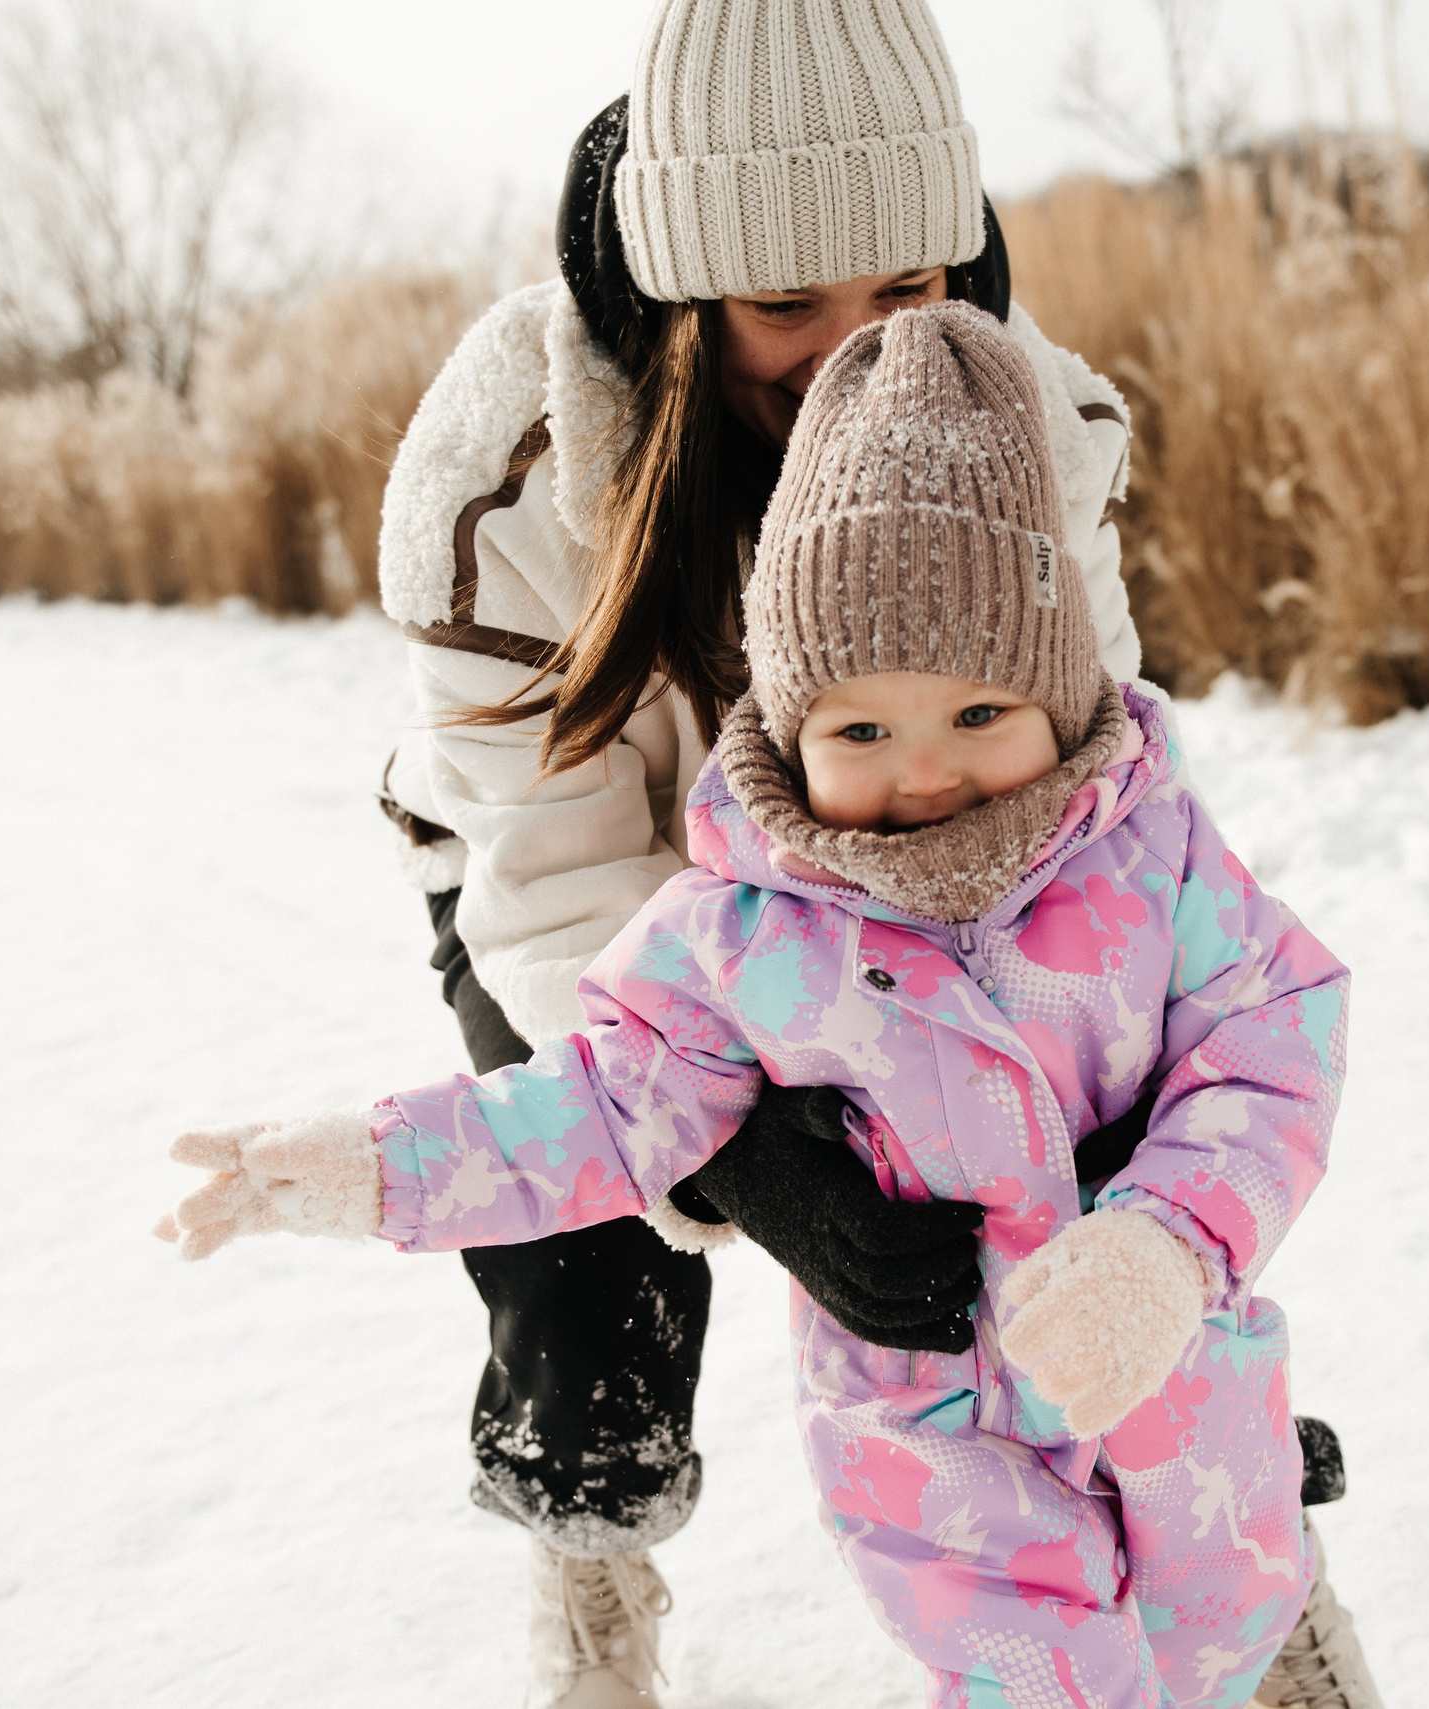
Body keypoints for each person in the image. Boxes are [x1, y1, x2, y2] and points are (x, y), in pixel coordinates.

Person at [348, 0, 1367, 1700]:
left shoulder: (1021, 417)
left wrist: (1112, 1154)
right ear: (684, 302)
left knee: (1096, 1143)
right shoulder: (507, 478)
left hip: (933, 848)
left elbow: (1091, 786)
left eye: (902, 287)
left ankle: (1248, 1573)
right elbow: (554, 867)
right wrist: (743, 1149)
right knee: (583, 1226)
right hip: (579, 896)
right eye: (781, 307)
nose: (851, 355)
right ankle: (591, 1561)